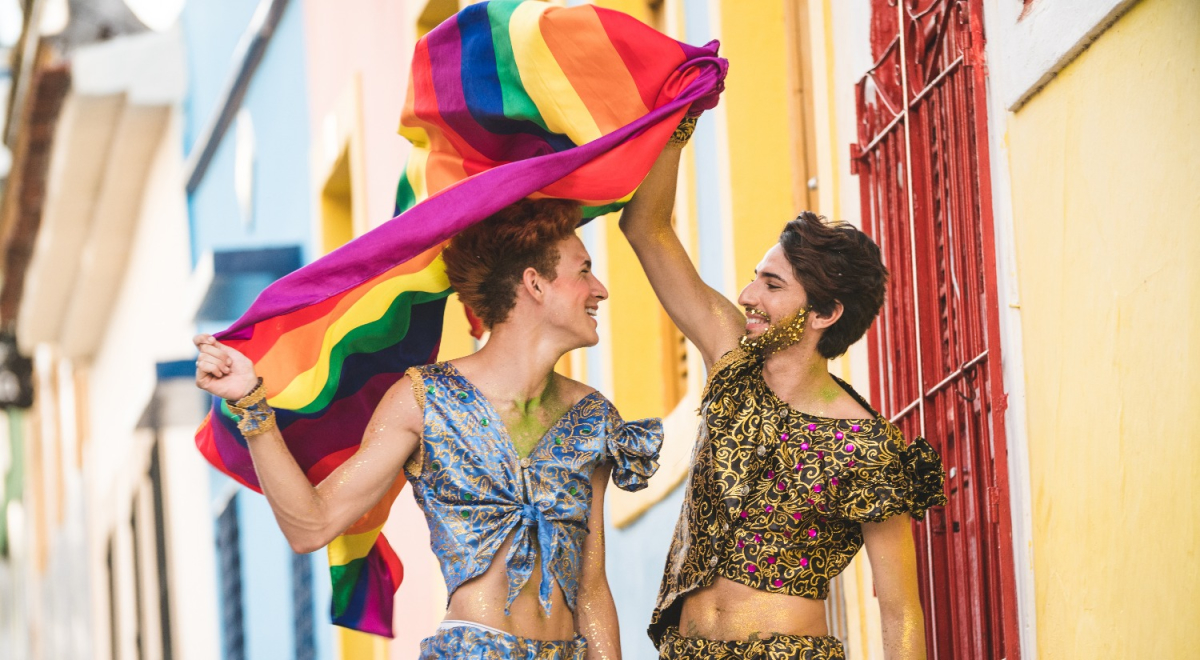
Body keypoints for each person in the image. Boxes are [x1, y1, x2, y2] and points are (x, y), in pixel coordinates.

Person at [194, 199, 663, 660]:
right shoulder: (424, 399)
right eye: (584, 270)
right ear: (534, 284)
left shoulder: (593, 418)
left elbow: (591, 587)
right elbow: (311, 526)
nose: (600, 289)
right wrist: (250, 405)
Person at [617, 138, 947, 659]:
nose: (747, 296)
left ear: (824, 314)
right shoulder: (731, 362)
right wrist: (680, 125)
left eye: (772, 285)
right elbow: (646, 230)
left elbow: (901, 611)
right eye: (755, 278)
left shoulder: (867, 445)